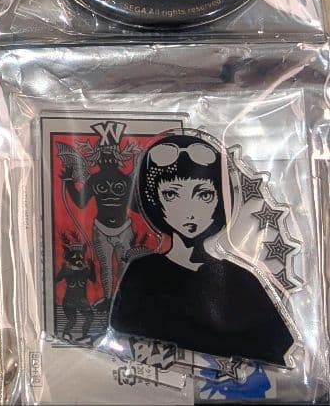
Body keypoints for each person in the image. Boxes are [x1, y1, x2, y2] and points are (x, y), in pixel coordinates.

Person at [109, 132, 294, 366]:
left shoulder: (241, 279)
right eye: (172, 194)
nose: (189, 211)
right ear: (153, 199)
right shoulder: (143, 274)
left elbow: (276, 348)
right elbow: (122, 330)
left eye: (203, 194)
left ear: (220, 198)